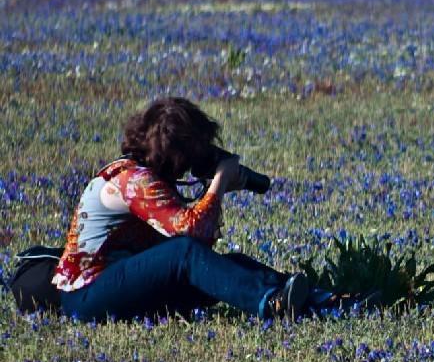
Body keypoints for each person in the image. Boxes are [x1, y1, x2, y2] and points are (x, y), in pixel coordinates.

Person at [53, 97, 318, 321]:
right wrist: (219, 181)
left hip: (120, 284)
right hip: (87, 295)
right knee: (185, 253)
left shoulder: (147, 177)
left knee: (231, 265)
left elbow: (194, 241)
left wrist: (217, 188)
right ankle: (272, 304)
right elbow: (192, 235)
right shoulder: (133, 180)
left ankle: (308, 299)